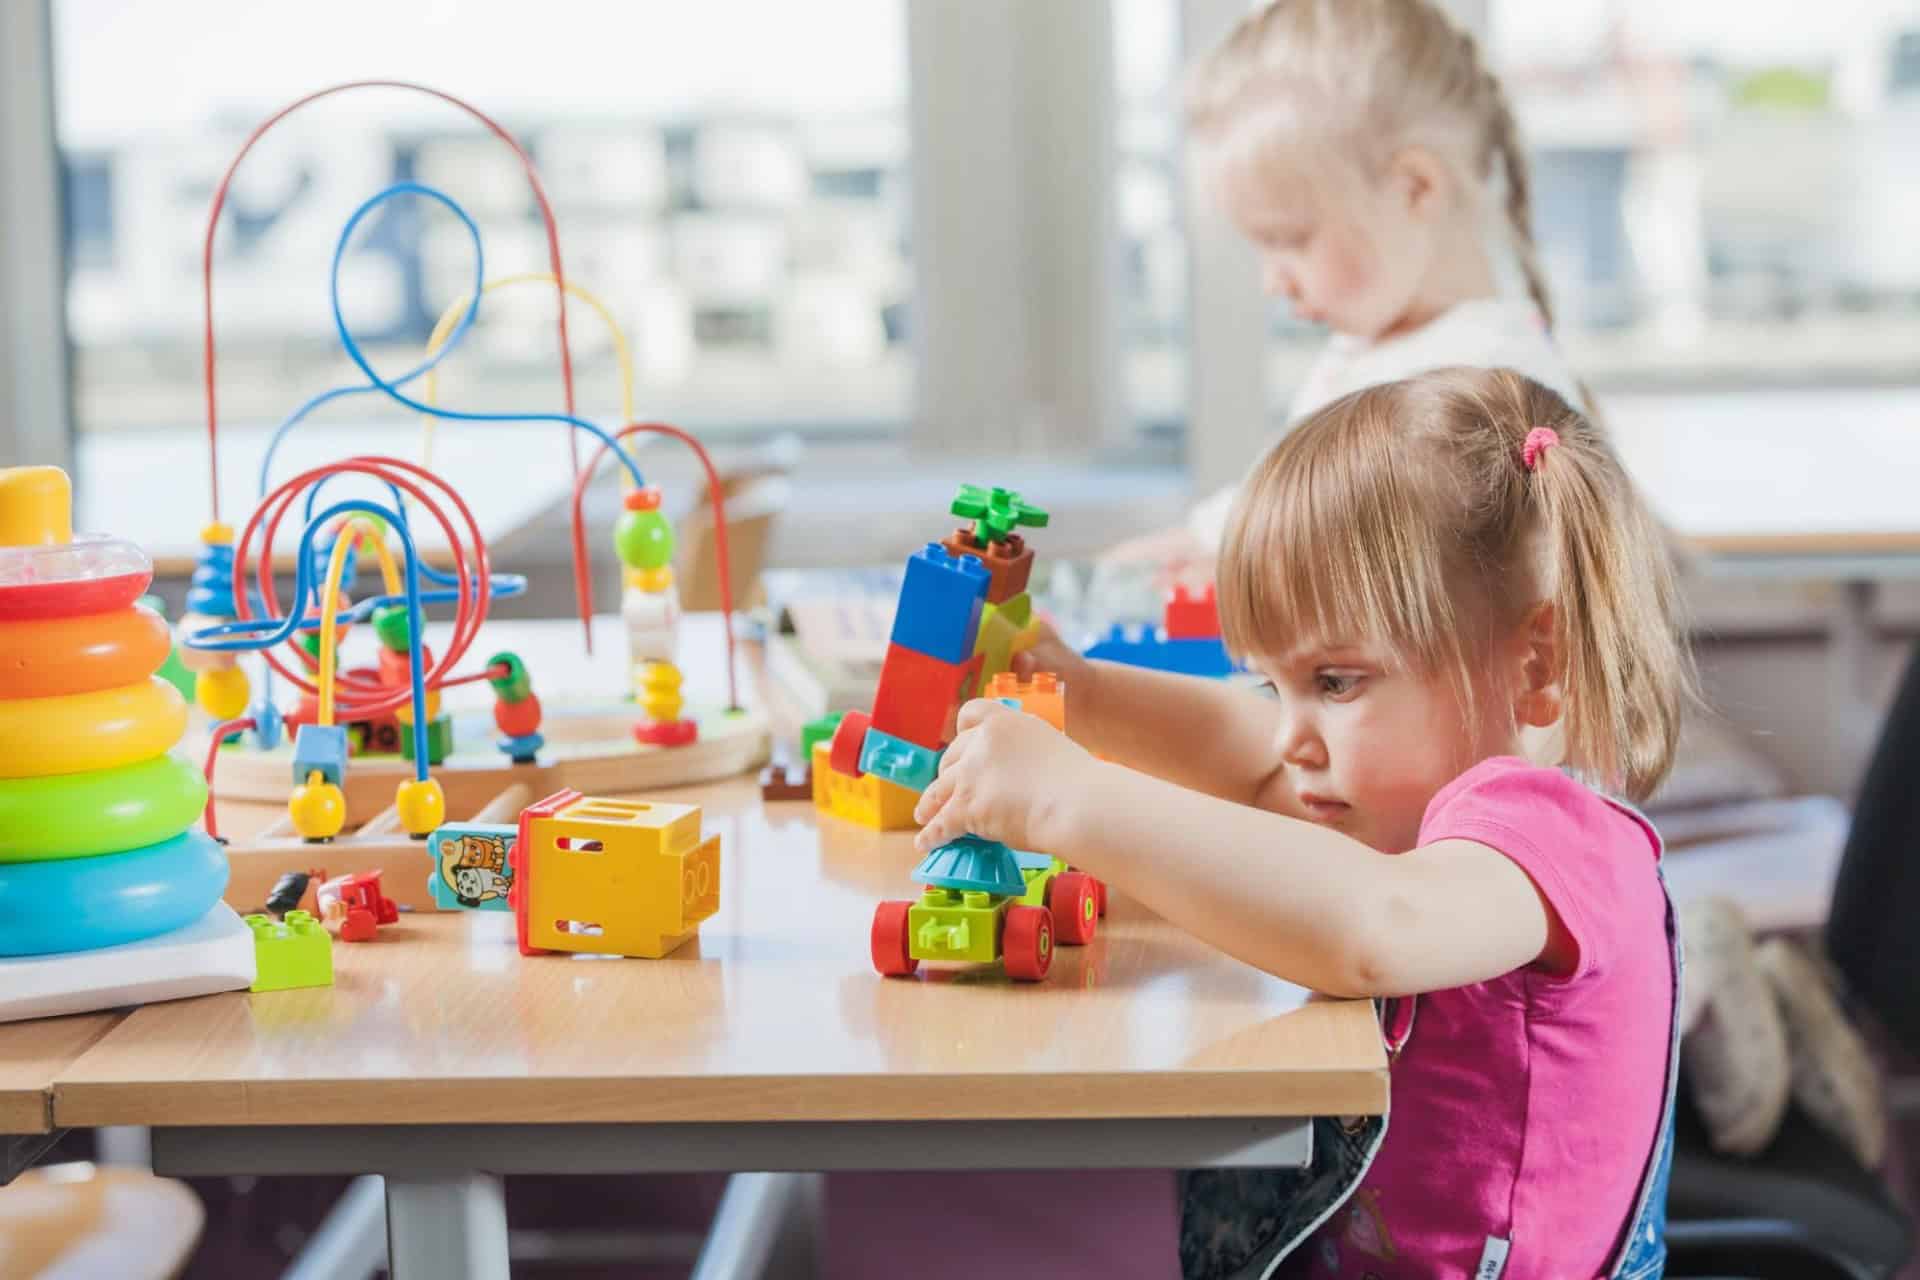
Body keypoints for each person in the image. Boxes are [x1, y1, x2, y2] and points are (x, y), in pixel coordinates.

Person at [920, 369, 1691, 1278]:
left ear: (1535, 662)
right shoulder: (1409, 787)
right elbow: (1245, 745)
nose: (1293, 733)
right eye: (1273, 681)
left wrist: (1069, 799)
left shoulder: (1549, 833)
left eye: (1334, 683)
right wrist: (1082, 693)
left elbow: (1373, 929)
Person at [1114, 0, 1585, 575]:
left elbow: (1384, 583)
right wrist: (1203, 541)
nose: (1272, 280)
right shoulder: (1381, 352)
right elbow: (1297, 512)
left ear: (1414, 188)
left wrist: (1234, 568)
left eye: (1291, 238)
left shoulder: (1483, 393)